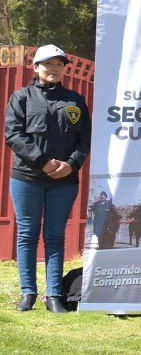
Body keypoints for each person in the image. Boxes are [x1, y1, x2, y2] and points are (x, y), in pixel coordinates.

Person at [5, 44, 91, 313]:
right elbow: (13, 135)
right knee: (27, 235)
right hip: (26, 178)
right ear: (36, 67)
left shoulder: (75, 100)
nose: (53, 69)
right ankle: (27, 293)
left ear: (64, 68)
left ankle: (54, 295)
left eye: (58, 64)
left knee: (55, 237)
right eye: (48, 64)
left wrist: (71, 164)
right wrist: (44, 162)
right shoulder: (21, 97)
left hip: (64, 181)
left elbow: (83, 139)